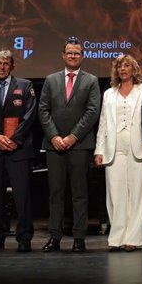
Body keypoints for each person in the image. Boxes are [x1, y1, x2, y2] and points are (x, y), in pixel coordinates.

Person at [39, 36, 101, 252]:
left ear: (82, 57)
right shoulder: (51, 79)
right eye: (70, 53)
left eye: (77, 53)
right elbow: (43, 110)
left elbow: (92, 112)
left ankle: (78, 238)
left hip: (80, 145)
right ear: (63, 56)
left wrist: (73, 137)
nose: (73, 56)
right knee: (56, 193)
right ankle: (54, 237)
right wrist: (55, 136)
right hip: (53, 145)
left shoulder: (91, 80)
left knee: (79, 193)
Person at [0, 50, 37, 253]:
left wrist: (14, 140)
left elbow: (29, 116)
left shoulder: (24, 85)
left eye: (6, 63)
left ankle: (24, 238)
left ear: (12, 66)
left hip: (18, 149)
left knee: (23, 196)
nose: (2, 66)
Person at [94, 54, 142, 252]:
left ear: (133, 69)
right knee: (115, 194)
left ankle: (132, 239)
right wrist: (99, 149)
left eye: (127, 66)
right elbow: (102, 122)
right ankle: (116, 237)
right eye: (120, 67)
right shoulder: (109, 93)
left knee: (137, 194)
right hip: (114, 148)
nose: (123, 69)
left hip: (138, 148)